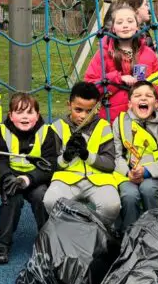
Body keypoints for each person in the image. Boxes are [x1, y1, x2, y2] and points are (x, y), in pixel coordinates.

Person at [0, 92, 58, 264]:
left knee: (41, 197)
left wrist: (28, 179)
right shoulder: (2, 131)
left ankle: (47, 242)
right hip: (12, 176)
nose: (25, 117)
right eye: (19, 112)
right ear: (10, 116)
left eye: (30, 112)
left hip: (36, 179)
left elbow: (50, 164)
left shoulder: (47, 132)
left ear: (38, 115)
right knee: (11, 198)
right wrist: (6, 177)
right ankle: (2, 244)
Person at [43, 81, 122, 225]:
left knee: (112, 205)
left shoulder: (103, 126)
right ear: (69, 105)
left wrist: (86, 155)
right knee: (50, 201)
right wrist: (66, 157)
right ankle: (72, 234)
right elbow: (50, 165)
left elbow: (110, 164)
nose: (83, 116)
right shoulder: (57, 127)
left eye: (88, 111)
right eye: (78, 110)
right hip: (66, 180)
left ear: (96, 109)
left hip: (99, 180)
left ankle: (97, 234)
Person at [85, 3, 158, 122]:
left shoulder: (149, 54)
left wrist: (145, 89)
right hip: (112, 120)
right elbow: (89, 87)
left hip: (144, 118)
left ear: (137, 26)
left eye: (130, 21)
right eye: (119, 22)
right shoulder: (103, 54)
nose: (125, 25)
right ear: (113, 29)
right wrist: (117, 79)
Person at [113, 81, 158, 231]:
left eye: (149, 96)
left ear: (156, 103)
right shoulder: (120, 122)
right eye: (137, 96)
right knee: (129, 195)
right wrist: (128, 172)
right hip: (127, 174)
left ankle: (157, 233)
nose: (143, 99)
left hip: (153, 174)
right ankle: (129, 237)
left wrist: (145, 171)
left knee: (149, 190)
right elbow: (116, 155)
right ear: (130, 104)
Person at [110, 0, 158, 101]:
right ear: (136, 10)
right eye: (145, 5)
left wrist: (155, 53)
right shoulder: (113, 41)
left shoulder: (143, 33)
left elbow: (148, 60)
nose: (148, 8)